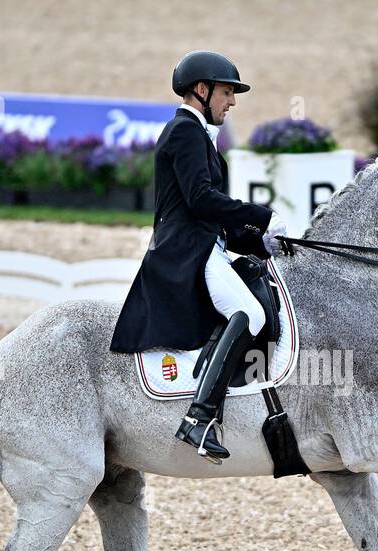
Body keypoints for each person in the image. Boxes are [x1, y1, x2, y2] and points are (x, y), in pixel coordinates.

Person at [110, 50, 286, 464]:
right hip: (185, 251)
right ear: (202, 90)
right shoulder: (185, 132)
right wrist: (262, 216)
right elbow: (201, 199)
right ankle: (199, 418)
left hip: (202, 245)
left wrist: (264, 243)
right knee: (250, 314)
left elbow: (211, 218)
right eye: (227, 92)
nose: (233, 101)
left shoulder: (196, 133)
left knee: (251, 309)